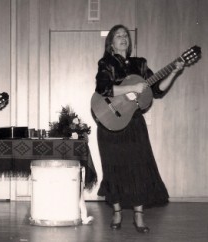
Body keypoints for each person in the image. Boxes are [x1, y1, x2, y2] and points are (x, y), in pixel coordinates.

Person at [94, 25, 184, 233]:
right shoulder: (106, 63)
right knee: (113, 167)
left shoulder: (140, 64)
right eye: (118, 35)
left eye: (126, 35)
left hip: (134, 124)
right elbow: (104, 88)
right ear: (111, 43)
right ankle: (117, 212)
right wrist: (132, 88)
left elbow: (157, 90)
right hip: (110, 124)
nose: (123, 38)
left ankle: (138, 216)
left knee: (138, 168)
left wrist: (174, 72)